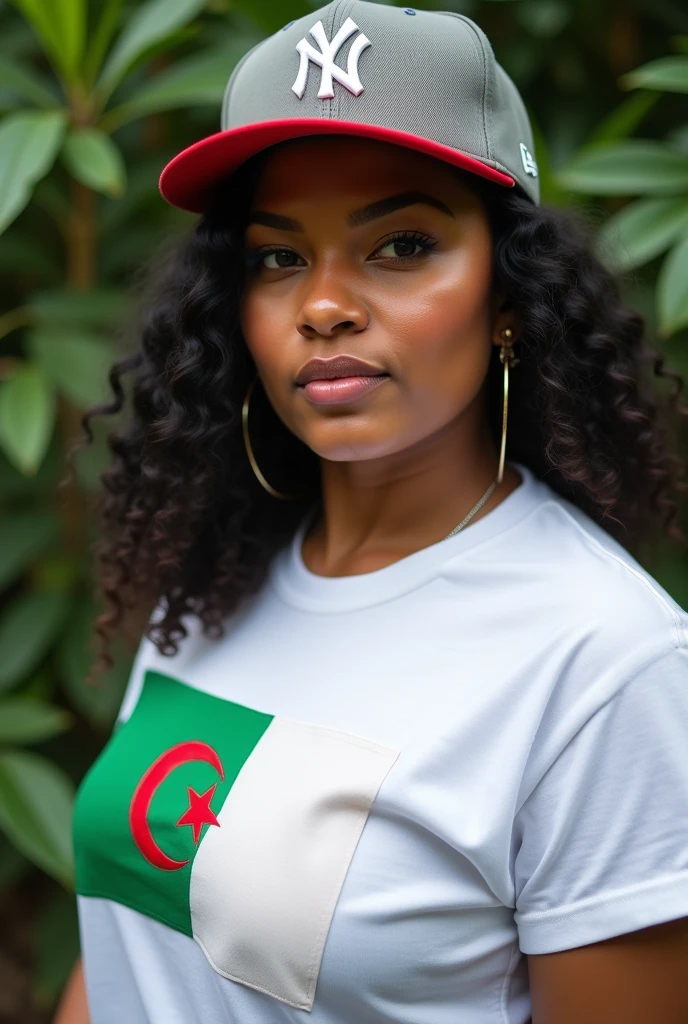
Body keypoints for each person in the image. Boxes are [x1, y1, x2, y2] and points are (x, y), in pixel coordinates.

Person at [55, 3, 688, 1023]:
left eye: (399, 244)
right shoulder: (217, 569)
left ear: (510, 295)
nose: (324, 305)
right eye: (276, 257)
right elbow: (134, 941)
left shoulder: (605, 666)